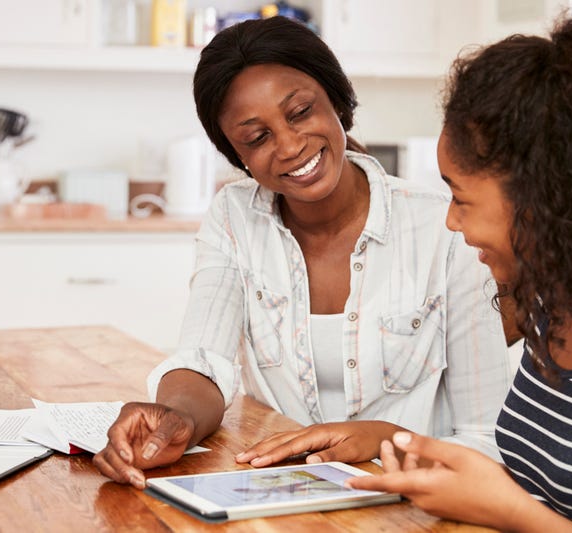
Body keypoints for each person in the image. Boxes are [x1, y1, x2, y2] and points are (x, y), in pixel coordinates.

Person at [93, 15, 511, 489]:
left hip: (416, 504)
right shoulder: (234, 217)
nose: (290, 146)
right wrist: (175, 418)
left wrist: (387, 441)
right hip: (279, 498)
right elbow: (204, 359)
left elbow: (486, 439)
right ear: (238, 157)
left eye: (299, 112)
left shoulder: (442, 226)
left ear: (335, 99)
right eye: (257, 138)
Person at [347, 2, 572, 531]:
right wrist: (429, 459)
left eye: (461, 198)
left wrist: (509, 510)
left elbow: (528, 510)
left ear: (544, 198)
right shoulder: (553, 308)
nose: (452, 223)